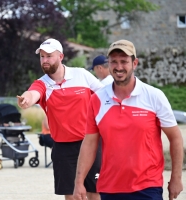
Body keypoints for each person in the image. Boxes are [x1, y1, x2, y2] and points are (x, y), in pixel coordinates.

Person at [73, 39, 184, 200]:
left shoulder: (154, 96)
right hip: (110, 188)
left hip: (147, 187)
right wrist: (79, 181)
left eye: (124, 61)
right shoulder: (96, 99)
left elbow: (175, 138)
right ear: (108, 64)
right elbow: (89, 143)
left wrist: (176, 178)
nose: (119, 67)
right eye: (114, 62)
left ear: (135, 63)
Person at [17, 38, 104, 200]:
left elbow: (105, 96)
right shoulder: (42, 83)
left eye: (49, 56)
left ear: (60, 57)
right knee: (71, 196)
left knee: (95, 192)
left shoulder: (82, 75)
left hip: (90, 142)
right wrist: (26, 99)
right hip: (63, 148)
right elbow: (32, 93)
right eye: (42, 57)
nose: (44, 60)